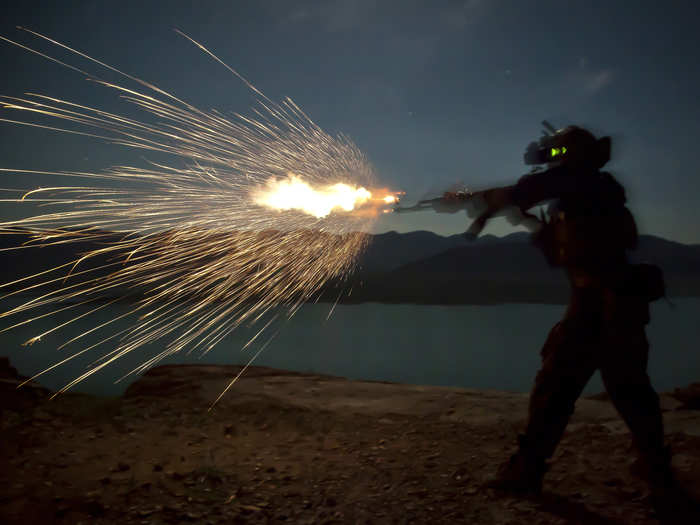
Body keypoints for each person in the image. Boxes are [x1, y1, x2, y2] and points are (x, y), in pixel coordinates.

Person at [463, 124, 697, 519]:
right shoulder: (585, 192)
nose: (553, 159)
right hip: (600, 302)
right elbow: (566, 250)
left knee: (595, 390)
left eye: (559, 153)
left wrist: (492, 201)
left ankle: (651, 476)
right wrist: (530, 223)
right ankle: (652, 476)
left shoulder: (586, 184)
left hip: (607, 303)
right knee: (586, 388)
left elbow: (531, 190)